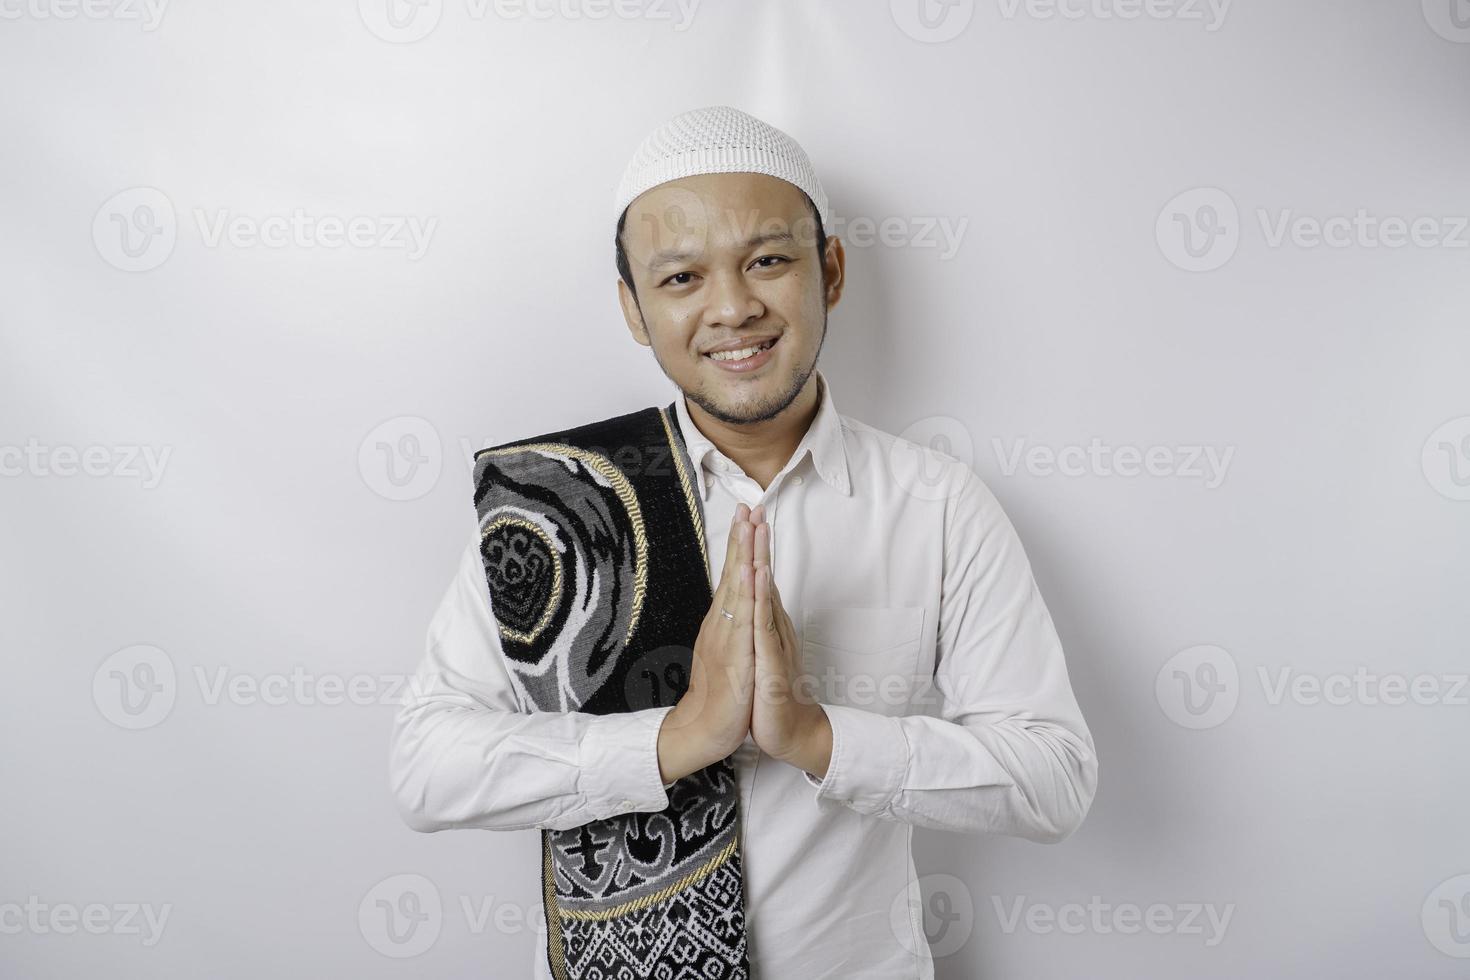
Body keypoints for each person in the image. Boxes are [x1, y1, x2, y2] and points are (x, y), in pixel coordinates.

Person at [389, 104, 1098, 980]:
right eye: (681, 278)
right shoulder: (554, 504)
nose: (732, 308)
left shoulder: (937, 504)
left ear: (830, 269)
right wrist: (675, 739)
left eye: (767, 260)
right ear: (634, 309)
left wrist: (817, 738)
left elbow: (1055, 775)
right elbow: (426, 767)